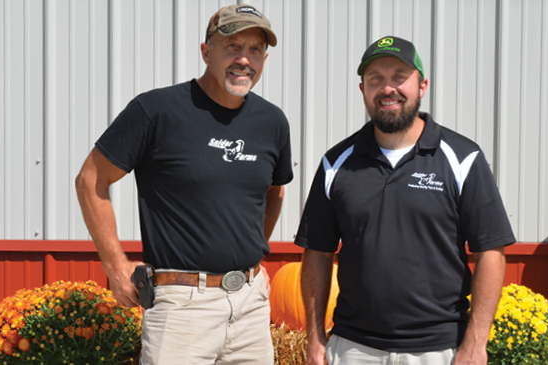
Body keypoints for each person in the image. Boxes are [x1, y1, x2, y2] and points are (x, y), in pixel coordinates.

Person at [75, 4, 293, 364]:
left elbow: (275, 190)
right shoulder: (156, 111)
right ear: (206, 52)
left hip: (251, 306)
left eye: (255, 50)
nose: (244, 59)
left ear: (265, 60)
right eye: (233, 46)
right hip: (182, 309)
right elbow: (90, 179)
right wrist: (115, 266)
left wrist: (252, 251)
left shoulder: (272, 122)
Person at [295, 36, 516, 365]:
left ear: (422, 86)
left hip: (439, 350)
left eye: (399, 76)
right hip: (354, 348)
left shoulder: (462, 158)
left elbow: (491, 253)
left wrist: (475, 344)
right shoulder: (336, 162)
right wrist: (315, 339)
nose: (388, 88)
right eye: (375, 78)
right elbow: (317, 252)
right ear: (363, 90)